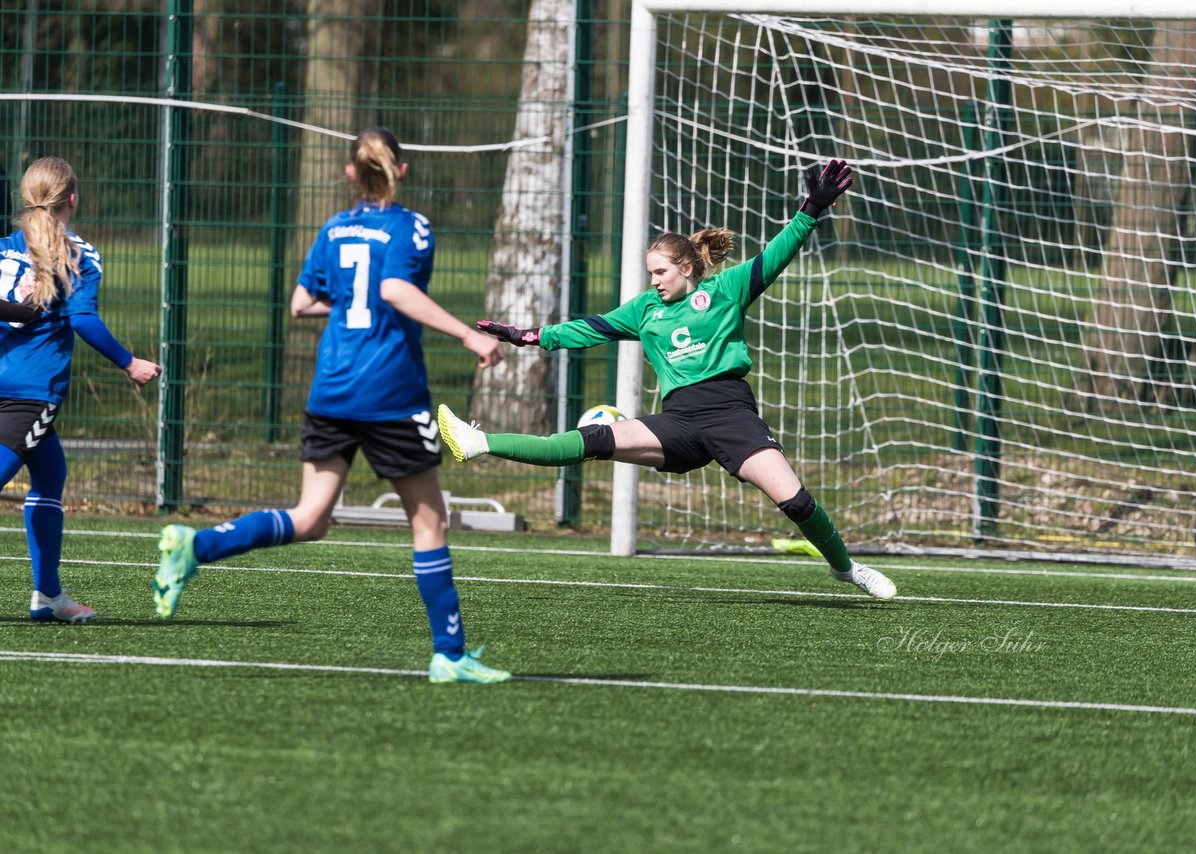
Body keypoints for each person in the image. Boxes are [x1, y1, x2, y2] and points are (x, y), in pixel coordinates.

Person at [439, 158, 896, 599]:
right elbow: (589, 328)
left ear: (688, 268)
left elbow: (777, 253)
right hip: (678, 420)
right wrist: (529, 336)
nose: (655, 281)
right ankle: (480, 442)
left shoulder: (727, 289)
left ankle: (847, 568)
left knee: (795, 502)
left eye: (661, 272)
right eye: (650, 273)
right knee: (592, 439)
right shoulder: (644, 309)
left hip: (731, 414)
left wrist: (812, 209)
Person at [151, 127, 512, 683]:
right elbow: (393, 289)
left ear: (351, 173)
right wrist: (469, 336)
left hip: (332, 387)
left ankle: (195, 546)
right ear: (403, 170)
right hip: (389, 391)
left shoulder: (334, 226)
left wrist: (349, 300)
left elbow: (300, 303)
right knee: (430, 522)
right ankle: (451, 655)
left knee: (311, 517)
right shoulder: (410, 225)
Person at [0, 156, 163, 622]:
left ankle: (49, 595)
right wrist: (129, 362)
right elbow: (83, 319)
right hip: (28, 395)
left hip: (11, 387)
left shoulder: (2, 247)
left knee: (50, 474)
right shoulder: (79, 254)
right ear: (73, 198)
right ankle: (48, 595)